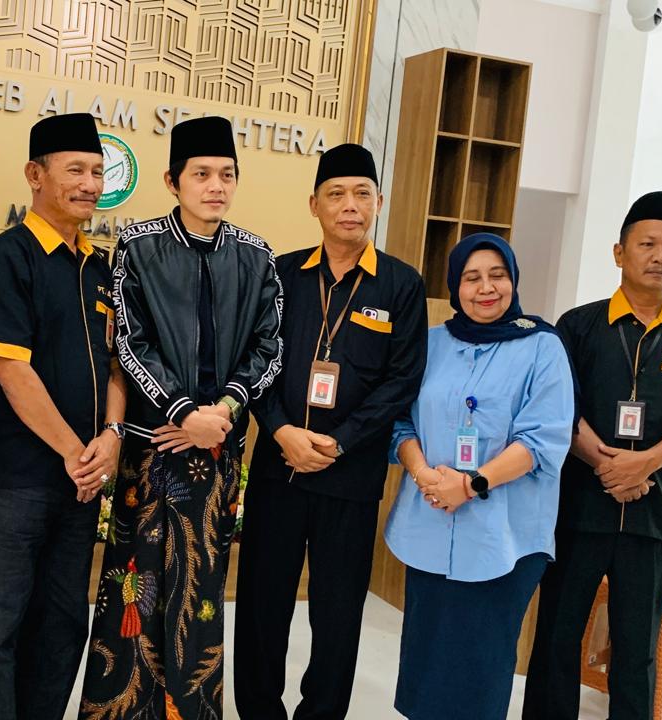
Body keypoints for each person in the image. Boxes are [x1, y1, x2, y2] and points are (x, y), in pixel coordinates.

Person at [79, 116, 284, 720]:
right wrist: (182, 411)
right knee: (134, 586)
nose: (215, 186)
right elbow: (129, 343)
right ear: (173, 181)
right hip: (154, 448)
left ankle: (191, 710)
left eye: (226, 175)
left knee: (201, 591)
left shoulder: (256, 256)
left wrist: (224, 409)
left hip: (217, 451)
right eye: (201, 174)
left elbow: (270, 347)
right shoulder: (138, 247)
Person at [234, 143, 427, 720]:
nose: (350, 206)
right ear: (314, 204)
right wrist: (280, 431)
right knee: (263, 602)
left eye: (362, 194)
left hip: (351, 476)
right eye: (336, 194)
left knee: (338, 612)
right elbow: (253, 361)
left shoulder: (401, 285)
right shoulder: (281, 273)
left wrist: (339, 441)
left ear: (378, 203)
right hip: (279, 469)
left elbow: (402, 380)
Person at [522, 191, 662, 720]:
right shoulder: (578, 326)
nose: (661, 257)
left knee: (638, 652)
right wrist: (607, 464)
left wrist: (645, 462)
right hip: (579, 512)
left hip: (653, 517)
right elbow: (558, 410)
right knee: (557, 639)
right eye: (648, 244)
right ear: (619, 253)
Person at [0, 112, 126, 720]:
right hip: (15, 480)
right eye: (75, 170)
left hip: (77, 485)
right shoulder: (7, 257)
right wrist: (75, 452)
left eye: (98, 173)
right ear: (35, 174)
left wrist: (111, 436)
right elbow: (10, 369)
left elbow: (116, 365)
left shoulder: (100, 268)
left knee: (61, 627)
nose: (90, 184)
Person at [383, 233, 574, 720]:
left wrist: (470, 484)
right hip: (429, 526)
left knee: (480, 666)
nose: (485, 288)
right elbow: (400, 420)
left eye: (497, 276)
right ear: (455, 286)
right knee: (427, 661)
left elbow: (543, 439)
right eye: (472, 278)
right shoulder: (431, 343)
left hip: (505, 539)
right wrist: (423, 472)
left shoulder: (543, 346)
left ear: (514, 280)